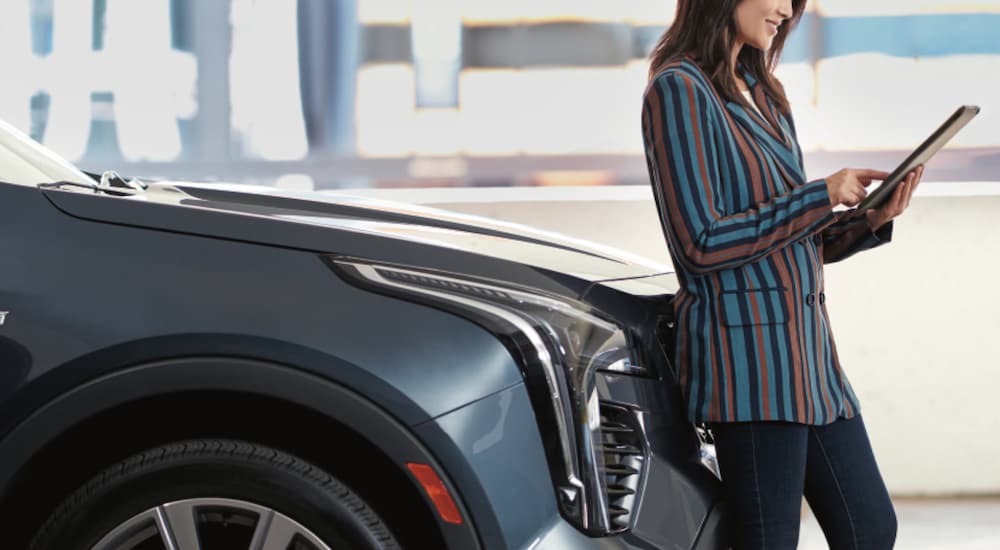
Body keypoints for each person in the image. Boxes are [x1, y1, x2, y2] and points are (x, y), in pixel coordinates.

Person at [640, 1, 923, 548]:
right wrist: (818, 196)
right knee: (769, 540)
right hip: (747, 368)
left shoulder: (765, 91)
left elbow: (794, 241)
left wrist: (867, 220)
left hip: (809, 361)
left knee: (870, 527)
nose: (784, 10)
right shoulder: (678, 91)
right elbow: (700, 244)